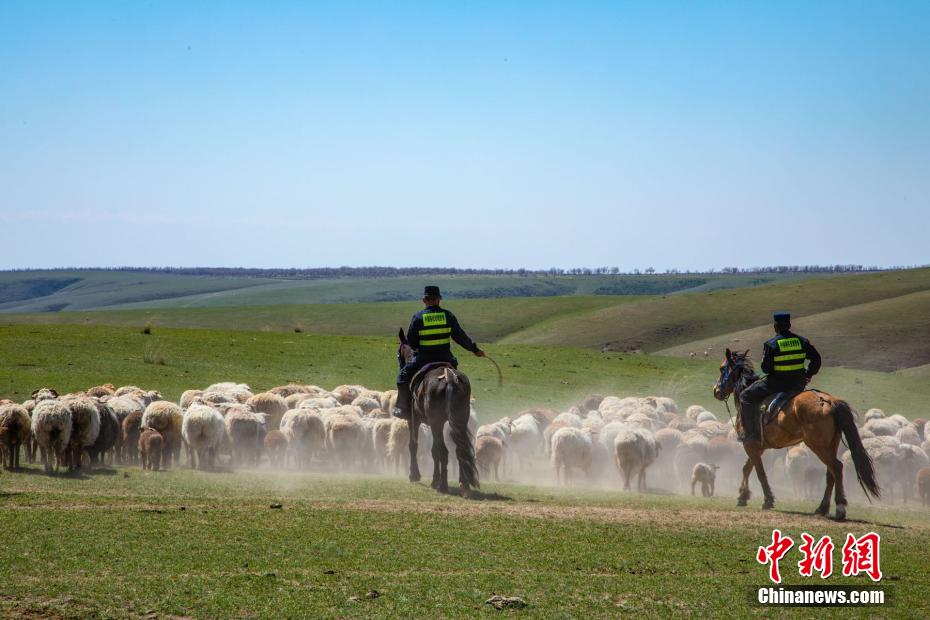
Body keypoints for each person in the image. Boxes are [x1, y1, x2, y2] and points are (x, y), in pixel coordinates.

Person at [393, 286, 485, 420]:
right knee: (457, 379)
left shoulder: (418, 317)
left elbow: (411, 343)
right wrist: (475, 349)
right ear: (438, 300)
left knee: (402, 378)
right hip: (446, 358)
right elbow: (460, 337)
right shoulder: (448, 316)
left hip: (424, 359)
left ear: (425, 300)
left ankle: (403, 409)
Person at [738, 311, 821, 442]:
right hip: (799, 384)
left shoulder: (771, 344)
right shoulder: (802, 341)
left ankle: (750, 434)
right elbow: (816, 359)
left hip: (775, 384)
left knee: (745, 396)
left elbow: (766, 369)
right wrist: (808, 375)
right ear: (789, 325)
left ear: (775, 326)